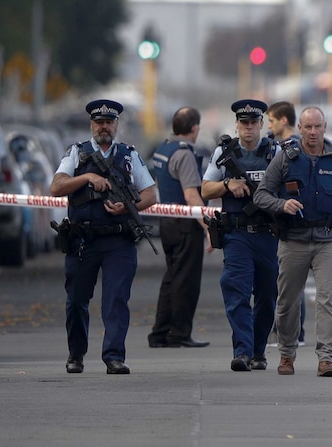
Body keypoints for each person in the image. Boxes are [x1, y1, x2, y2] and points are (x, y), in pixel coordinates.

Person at [253, 106, 332, 377]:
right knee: (287, 302)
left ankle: (326, 359)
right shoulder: (285, 158)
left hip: (327, 241)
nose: (313, 132)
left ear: (324, 127)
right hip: (293, 240)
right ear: (300, 128)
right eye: (308, 127)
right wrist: (282, 205)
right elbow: (261, 195)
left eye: (317, 127)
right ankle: (286, 354)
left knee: (329, 300)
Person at [51, 99, 157, 375]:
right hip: (83, 241)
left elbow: (150, 194)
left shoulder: (129, 155)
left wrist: (127, 206)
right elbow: (57, 186)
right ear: (92, 124)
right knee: (76, 301)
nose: (104, 127)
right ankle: (76, 353)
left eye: (109, 122)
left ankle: (114, 356)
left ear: (116, 125)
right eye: (99, 122)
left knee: (116, 299)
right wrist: (87, 179)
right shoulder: (77, 153)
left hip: (118, 241)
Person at [201, 99, 281, 372]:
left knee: (267, 296)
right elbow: (205, 189)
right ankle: (242, 352)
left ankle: (258, 351)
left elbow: (291, 187)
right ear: (236, 125)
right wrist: (227, 184)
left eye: (253, 123)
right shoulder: (224, 152)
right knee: (236, 290)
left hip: (268, 234)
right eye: (243, 123)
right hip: (236, 235)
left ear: (261, 125)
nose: (248, 127)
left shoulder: (276, 152)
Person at [148, 107, 212, 349]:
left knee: (171, 278)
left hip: (166, 220)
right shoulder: (184, 154)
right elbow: (191, 196)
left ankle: (159, 332)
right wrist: (206, 226)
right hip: (185, 223)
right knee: (186, 280)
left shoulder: (163, 149)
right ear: (194, 128)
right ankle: (179, 333)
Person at [267, 100, 307, 346]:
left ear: (283, 120)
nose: (268, 127)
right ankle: (286, 330)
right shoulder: (277, 146)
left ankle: (295, 332)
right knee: (283, 280)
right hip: (278, 219)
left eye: (271, 121)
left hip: (289, 220)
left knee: (291, 281)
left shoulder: (292, 149)